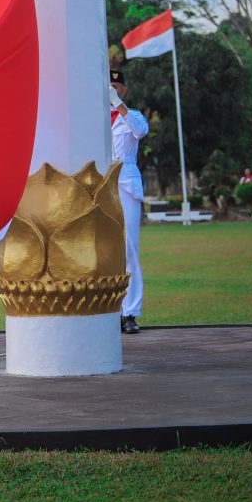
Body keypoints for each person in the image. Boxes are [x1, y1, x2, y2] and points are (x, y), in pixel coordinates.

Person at [111, 69, 150, 335]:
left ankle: (130, 313)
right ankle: (107, 309)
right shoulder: (94, 118)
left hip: (125, 183)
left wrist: (119, 105)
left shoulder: (132, 115)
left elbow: (140, 131)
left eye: (116, 86)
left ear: (123, 89)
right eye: (108, 87)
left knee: (128, 248)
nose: (111, 90)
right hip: (100, 182)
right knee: (102, 249)